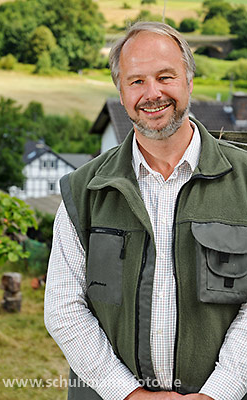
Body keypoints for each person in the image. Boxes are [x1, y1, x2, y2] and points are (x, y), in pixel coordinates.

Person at [44, 22, 247, 400]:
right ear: (121, 94)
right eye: (136, 81)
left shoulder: (246, 183)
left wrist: (218, 394)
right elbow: (63, 308)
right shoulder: (84, 191)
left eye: (165, 76)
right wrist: (129, 395)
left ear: (189, 80)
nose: (152, 93)